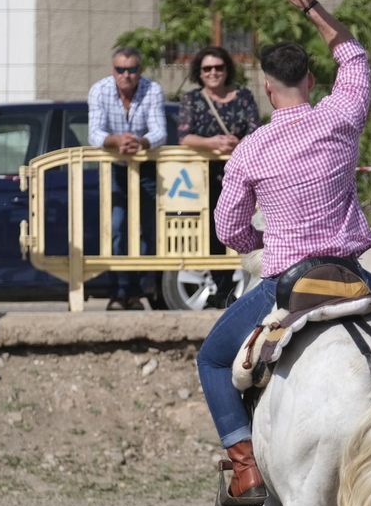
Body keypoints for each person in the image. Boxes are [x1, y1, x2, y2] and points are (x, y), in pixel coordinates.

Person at [197, 0, 371, 506]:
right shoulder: (340, 114)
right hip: (350, 272)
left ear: (266, 88)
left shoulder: (251, 149)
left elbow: (228, 231)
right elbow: (353, 55)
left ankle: (245, 473)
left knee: (212, 361)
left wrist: (263, 237)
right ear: (310, 79)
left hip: (288, 282)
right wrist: (309, 4)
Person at [178, 46, 263, 294]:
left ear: (227, 69)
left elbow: (256, 131)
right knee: (213, 233)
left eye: (218, 67)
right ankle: (220, 289)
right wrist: (212, 143)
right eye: (207, 68)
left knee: (247, 229)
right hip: (204, 181)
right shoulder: (192, 99)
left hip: (242, 177)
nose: (213, 72)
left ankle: (251, 286)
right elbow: (184, 137)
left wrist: (238, 144)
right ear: (199, 72)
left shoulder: (243, 96)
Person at [87, 46, 166, 310]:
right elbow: (94, 133)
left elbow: (160, 132)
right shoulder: (99, 90)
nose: (126, 75)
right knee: (118, 228)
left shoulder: (152, 89)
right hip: (115, 166)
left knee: (147, 230)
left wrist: (139, 142)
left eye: (132, 69)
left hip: (146, 166)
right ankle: (120, 291)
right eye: (120, 69)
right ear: (113, 70)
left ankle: (138, 292)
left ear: (139, 70)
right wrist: (117, 140)